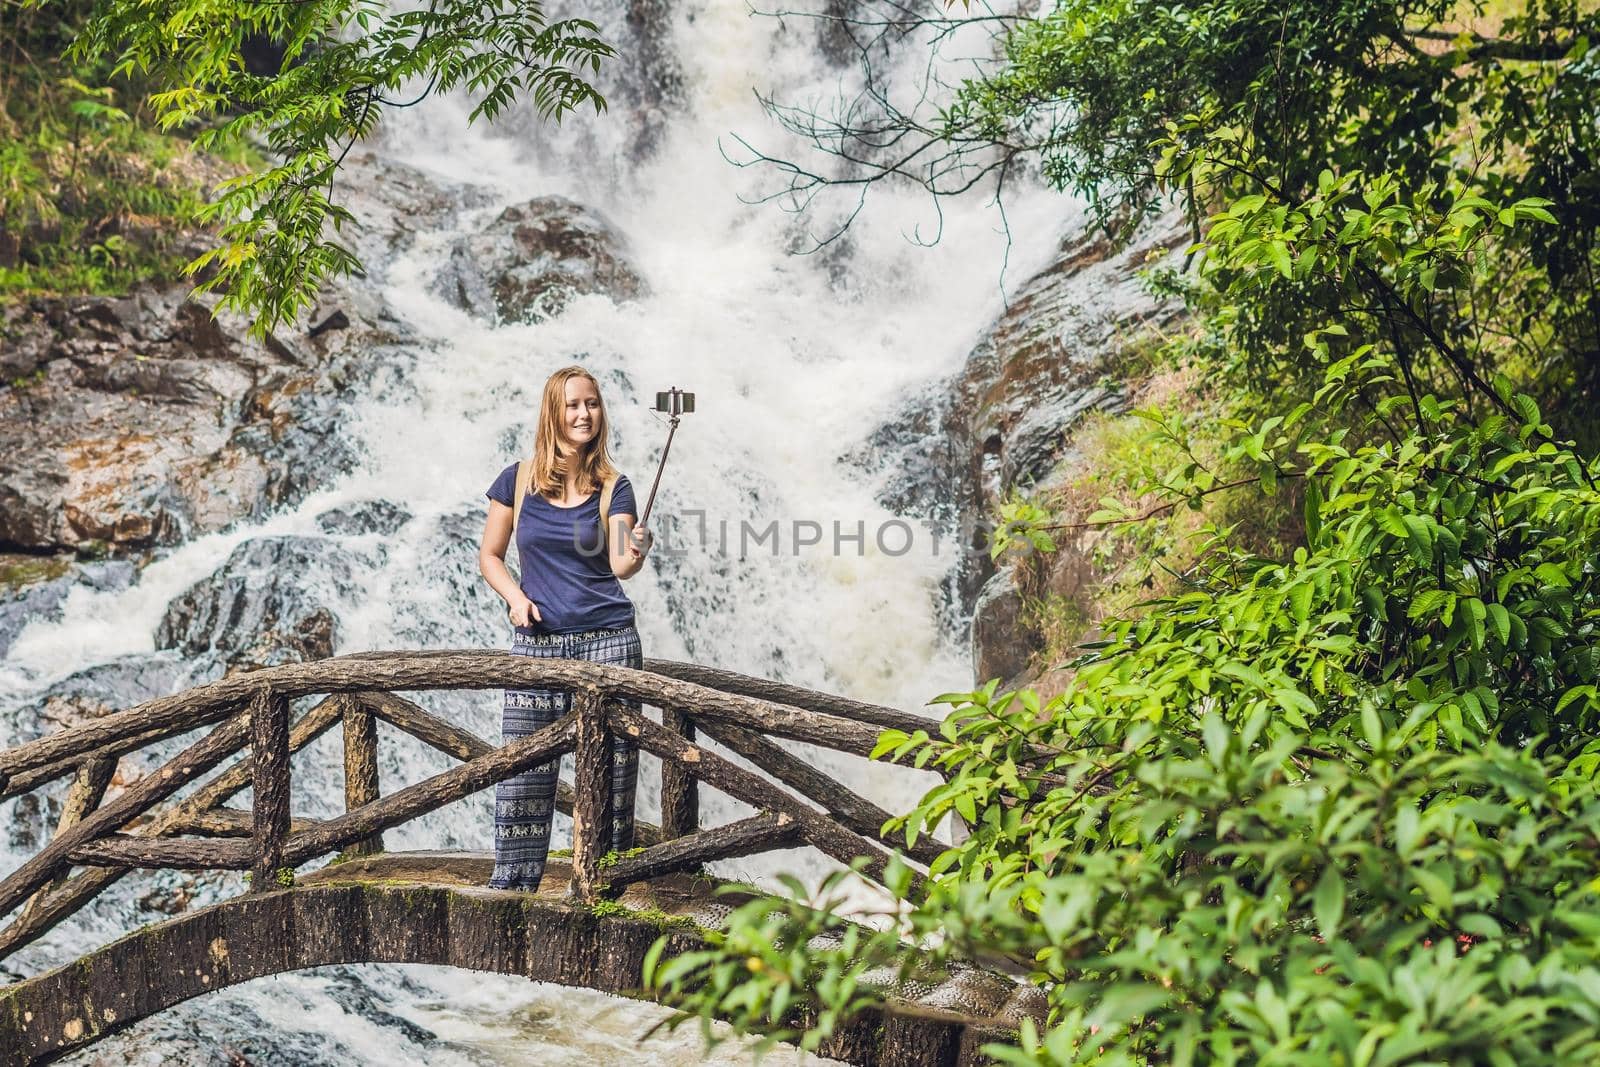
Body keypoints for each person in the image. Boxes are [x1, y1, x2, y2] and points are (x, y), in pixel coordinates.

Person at [477, 364, 652, 891]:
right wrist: (515, 598)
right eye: (573, 405)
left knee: (610, 780)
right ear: (553, 412)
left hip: (609, 646)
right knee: (522, 779)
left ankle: (601, 893)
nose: (584, 414)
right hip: (537, 647)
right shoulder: (518, 478)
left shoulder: (613, 487)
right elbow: (490, 555)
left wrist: (638, 550)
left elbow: (621, 564)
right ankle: (510, 892)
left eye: (592, 404)